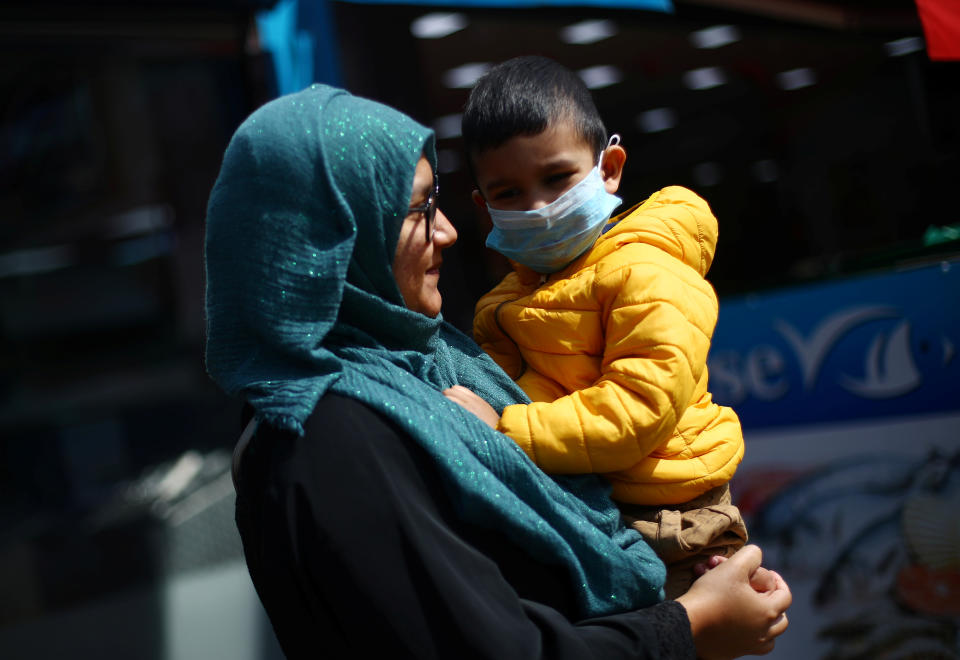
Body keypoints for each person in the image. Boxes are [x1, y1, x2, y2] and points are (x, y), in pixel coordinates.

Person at [204, 82, 790, 659]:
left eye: (438, 204)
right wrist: (690, 625)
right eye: (416, 211)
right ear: (332, 236)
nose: (449, 232)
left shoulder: (426, 364)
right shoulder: (329, 437)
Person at [444, 56, 747, 599]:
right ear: (482, 207)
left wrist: (505, 432)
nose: (538, 207)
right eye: (508, 193)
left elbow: (639, 410)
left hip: (672, 526)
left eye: (557, 178)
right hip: (594, 514)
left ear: (608, 168)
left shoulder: (647, 271)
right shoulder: (503, 303)